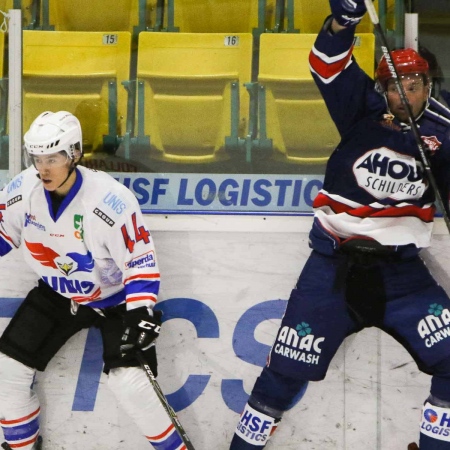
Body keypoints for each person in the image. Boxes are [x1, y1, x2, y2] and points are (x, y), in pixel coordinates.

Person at [229, 1, 450, 449]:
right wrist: (341, 22)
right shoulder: (360, 108)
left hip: (402, 275)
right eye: (396, 87)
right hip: (332, 269)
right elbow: (325, 63)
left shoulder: (445, 131)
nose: (406, 94)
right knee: (282, 375)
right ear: (382, 89)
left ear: (428, 84)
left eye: (415, 84)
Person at [0, 111, 186, 449]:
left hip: (116, 301)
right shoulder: (22, 190)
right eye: (37, 158)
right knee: (6, 372)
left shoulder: (109, 201)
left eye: (53, 158)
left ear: (74, 154)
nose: (43, 168)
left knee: (130, 383)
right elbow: (2, 234)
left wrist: (142, 312)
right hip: (59, 294)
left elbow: (139, 261)